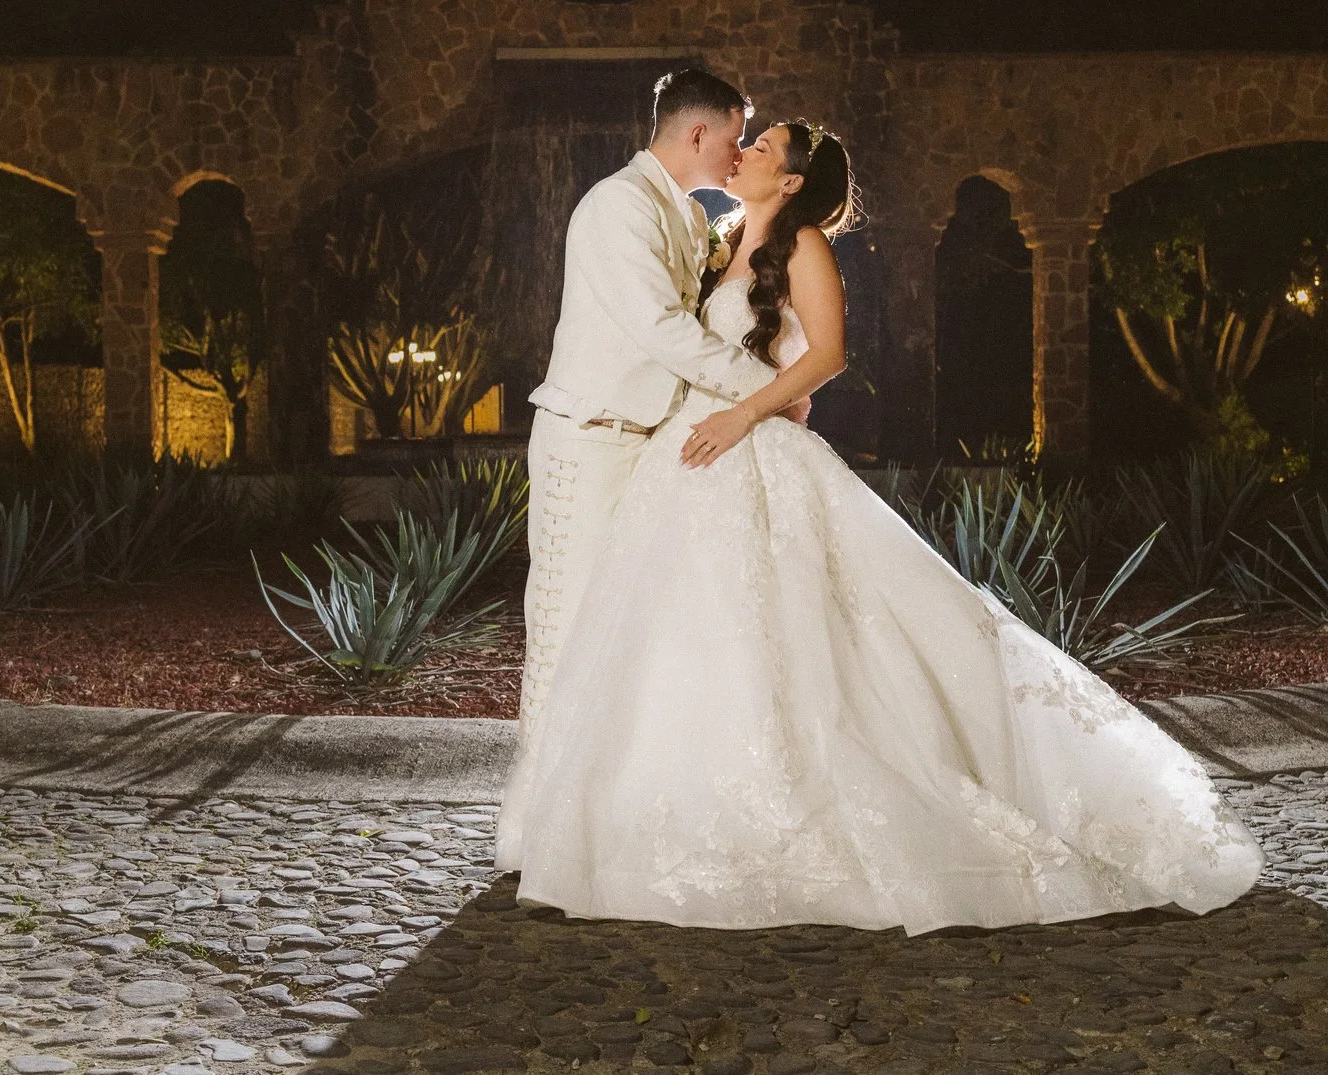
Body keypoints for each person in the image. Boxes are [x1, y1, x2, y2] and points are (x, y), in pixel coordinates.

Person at [495, 119, 1265, 933]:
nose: (746, 148)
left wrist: (746, 415)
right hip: (684, 460)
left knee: (797, 636)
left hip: (744, 448)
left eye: (762, 145)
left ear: (790, 181)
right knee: (683, 639)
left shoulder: (805, 249)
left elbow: (826, 355)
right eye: (748, 139)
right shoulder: (719, 242)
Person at [517, 67, 783, 744]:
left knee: (627, 635)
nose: (739, 152)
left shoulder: (690, 214)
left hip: (651, 449)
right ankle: (535, 830)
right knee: (566, 628)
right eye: (736, 135)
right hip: (590, 441)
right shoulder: (619, 204)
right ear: (699, 132)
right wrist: (772, 393)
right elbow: (665, 330)